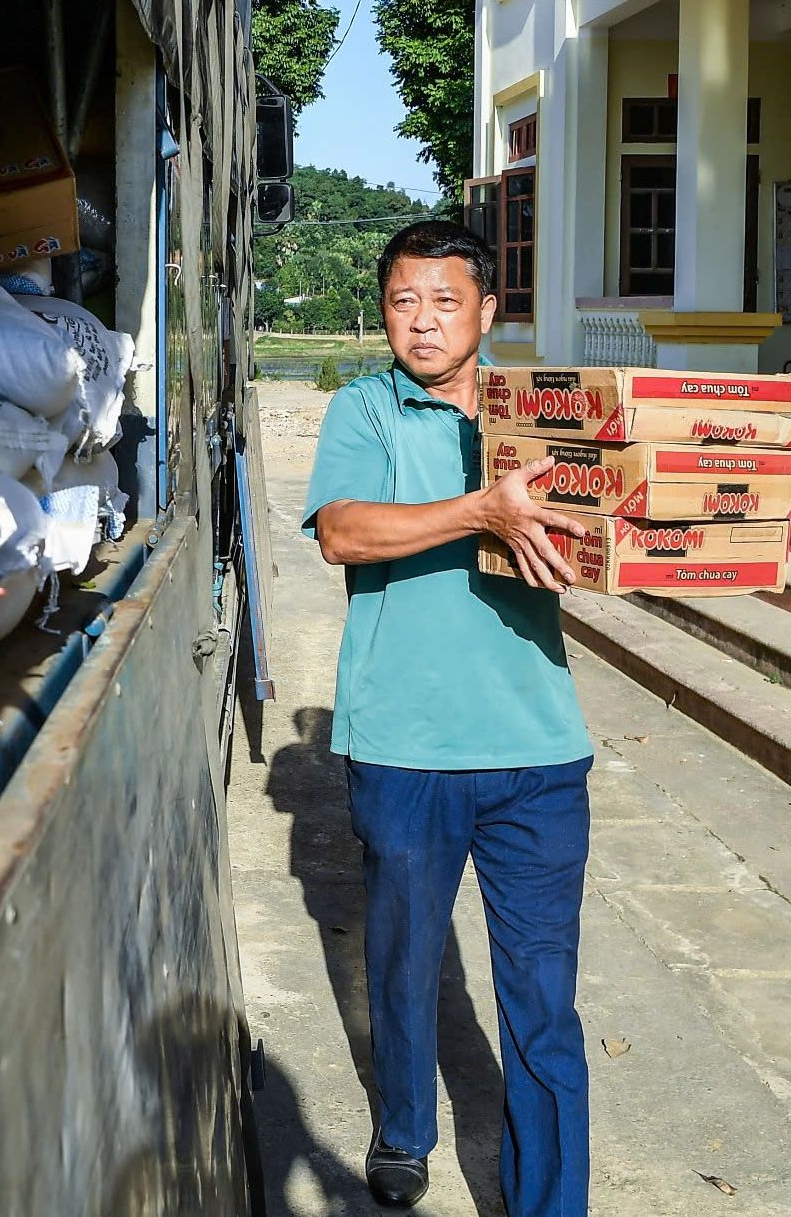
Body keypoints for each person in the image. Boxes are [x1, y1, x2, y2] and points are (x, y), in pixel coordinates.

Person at [301, 219, 595, 1214]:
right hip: (406, 743)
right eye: (401, 302)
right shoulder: (365, 410)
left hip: (538, 746)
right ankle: (405, 1126)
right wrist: (481, 511)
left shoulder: (542, 415)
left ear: (487, 311)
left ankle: (550, 1202)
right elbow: (342, 533)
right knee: (403, 955)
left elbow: (613, 519)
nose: (420, 324)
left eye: (443, 301)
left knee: (543, 1003)